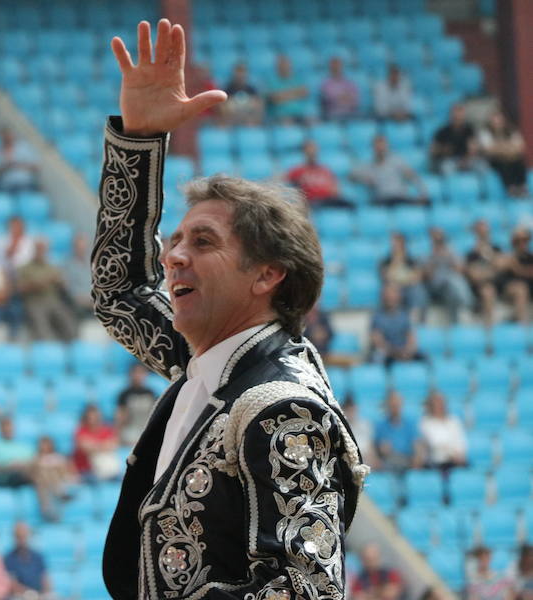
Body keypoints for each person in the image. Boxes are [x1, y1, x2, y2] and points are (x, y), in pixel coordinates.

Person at [96, 20, 365, 599]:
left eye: (204, 242)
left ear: (268, 275)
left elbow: (307, 591)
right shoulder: (218, 364)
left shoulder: (279, 405)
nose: (173, 258)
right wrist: (139, 141)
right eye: (176, 241)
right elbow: (120, 295)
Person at [16, 239, 77, 341]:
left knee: (68, 322)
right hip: (35, 302)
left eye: (43, 249)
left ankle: (72, 347)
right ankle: (48, 350)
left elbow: (63, 285)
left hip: (53, 301)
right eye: (38, 249)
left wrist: (60, 282)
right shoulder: (25, 268)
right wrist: (37, 284)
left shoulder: (52, 267)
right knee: (42, 327)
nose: (41, 251)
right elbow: (19, 288)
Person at [350, 135, 428, 206]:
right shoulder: (368, 165)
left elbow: (412, 176)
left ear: (387, 147)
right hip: (382, 199)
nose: (380, 149)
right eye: (377, 147)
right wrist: (363, 179)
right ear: (373, 148)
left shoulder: (397, 161)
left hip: (399, 196)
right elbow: (351, 176)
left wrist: (422, 193)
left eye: (382, 146)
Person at [424, 228, 474, 322]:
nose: (439, 243)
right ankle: (468, 302)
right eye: (436, 241)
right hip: (436, 286)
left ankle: (460, 311)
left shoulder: (451, 252)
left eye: (441, 240)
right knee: (453, 281)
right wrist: (435, 259)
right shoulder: (428, 255)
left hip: (451, 287)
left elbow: (460, 270)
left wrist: (449, 258)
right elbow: (428, 276)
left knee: (453, 283)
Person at [285, 140, 353, 209]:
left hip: (328, 199)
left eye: (314, 150)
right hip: (313, 202)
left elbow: (335, 187)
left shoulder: (324, 169)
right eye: (310, 150)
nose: (312, 153)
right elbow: (285, 180)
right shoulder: (299, 170)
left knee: (348, 204)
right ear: (305, 152)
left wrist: (335, 190)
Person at [478, 111, 529, 197]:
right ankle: (511, 189)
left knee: (519, 162)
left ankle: (522, 187)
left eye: (499, 120)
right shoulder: (485, 132)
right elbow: (489, 149)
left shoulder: (512, 130)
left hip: (512, 158)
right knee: (503, 163)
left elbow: (520, 147)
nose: (497, 123)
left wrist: (502, 148)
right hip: (495, 160)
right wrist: (507, 148)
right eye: (495, 121)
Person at [466, 219, 506, 326]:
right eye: (480, 232)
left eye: (485, 231)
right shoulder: (472, 254)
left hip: (499, 283)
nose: (483, 234)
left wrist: (489, 258)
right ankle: (490, 329)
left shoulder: (496, 249)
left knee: (520, 288)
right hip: (482, 287)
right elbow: (474, 275)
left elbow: (501, 267)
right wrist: (491, 270)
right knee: (488, 291)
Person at [370, 285, 423, 365]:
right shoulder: (377, 317)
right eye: (388, 295)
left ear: (398, 297)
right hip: (388, 352)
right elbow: (378, 341)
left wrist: (408, 350)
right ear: (383, 297)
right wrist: (395, 352)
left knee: (424, 357)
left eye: (393, 295)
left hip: (403, 350)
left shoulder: (404, 315)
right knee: (378, 356)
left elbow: (411, 337)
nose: (391, 298)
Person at [29, 435, 76, 523]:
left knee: (52, 475)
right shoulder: (35, 459)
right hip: (43, 484)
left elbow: (66, 473)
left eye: (46, 444)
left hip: (58, 482)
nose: (44, 447)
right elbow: (33, 474)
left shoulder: (59, 457)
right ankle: (51, 505)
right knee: (44, 476)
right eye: (42, 445)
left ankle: (57, 497)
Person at [375, 390, 424, 472]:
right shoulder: (381, 426)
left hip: (408, 460)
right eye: (392, 405)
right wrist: (380, 450)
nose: (395, 407)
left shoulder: (410, 424)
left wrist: (417, 457)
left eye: (397, 404)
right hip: (388, 461)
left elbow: (417, 444)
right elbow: (377, 446)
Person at [380, 232, 428, 315]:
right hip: (395, 287)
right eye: (395, 244)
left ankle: (417, 316)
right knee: (392, 290)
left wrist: (405, 280)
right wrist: (396, 260)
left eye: (399, 244)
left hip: (408, 287)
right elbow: (387, 276)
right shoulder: (386, 261)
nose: (396, 247)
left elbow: (417, 276)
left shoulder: (410, 260)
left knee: (418, 290)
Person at [431, 103, 485, 174]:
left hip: (467, 160)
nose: (458, 117)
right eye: (455, 116)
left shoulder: (469, 130)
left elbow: (474, 148)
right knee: (446, 167)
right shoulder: (443, 131)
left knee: (482, 166)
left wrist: (468, 157)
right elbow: (433, 150)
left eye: (460, 115)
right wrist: (443, 149)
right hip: (450, 161)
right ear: (451, 116)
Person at [419, 390, 467, 470]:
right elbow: (434, 443)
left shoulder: (454, 421)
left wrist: (458, 455)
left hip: (455, 460)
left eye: (441, 403)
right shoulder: (425, 423)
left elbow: (461, 443)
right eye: (436, 403)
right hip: (436, 462)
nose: (439, 406)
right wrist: (450, 453)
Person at [72, 404, 120, 483]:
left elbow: (113, 445)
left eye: (95, 417)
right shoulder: (81, 430)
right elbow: (85, 447)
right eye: (90, 417)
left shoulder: (107, 429)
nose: (93, 419)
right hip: (86, 469)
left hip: (106, 466)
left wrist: (95, 445)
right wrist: (103, 445)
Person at [0, 415, 35, 487]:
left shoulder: (24, 447)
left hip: (24, 475)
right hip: (5, 478)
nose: (8, 429)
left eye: (10, 426)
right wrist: (8, 467)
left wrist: (22, 466)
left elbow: (34, 463)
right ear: (0, 429)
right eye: (5, 427)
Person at [4, 522, 51, 599]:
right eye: (19, 536)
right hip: (20, 595)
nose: (22, 539)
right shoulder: (9, 558)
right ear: (14, 537)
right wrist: (30, 593)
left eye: (24, 536)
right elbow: (12, 584)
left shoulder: (38, 556)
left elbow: (45, 579)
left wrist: (44, 593)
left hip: (39, 594)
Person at [114, 363, 156, 446]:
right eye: (136, 372)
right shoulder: (125, 394)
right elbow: (120, 418)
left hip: (145, 431)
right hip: (130, 432)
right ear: (131, 374)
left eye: (141, 373)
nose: (138, 376)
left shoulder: (151, 393)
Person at [0, 129, 40, 193]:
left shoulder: (24, 148)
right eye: (4, 136)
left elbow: (36, 167)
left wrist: (18, 164)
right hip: (6, 187)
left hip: (25, 184)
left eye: (9, 135)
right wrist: (5, 167)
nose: (7, 138)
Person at [265, 53, 311, 123]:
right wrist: (296, 93)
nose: (285, 66)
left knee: (313, 121)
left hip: (300, 114)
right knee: (287, 123)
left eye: (287, 64)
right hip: (280, 116)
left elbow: (305, 92)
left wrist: (284, 95)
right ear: (277, 66)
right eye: (282, 64)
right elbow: (275, 99)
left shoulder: (297, 79)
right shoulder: (270, 81)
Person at [500, 227, 533, 324]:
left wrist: (516, 267)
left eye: (524, 240)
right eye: (517, 241)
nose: (521, 243)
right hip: (510, 289)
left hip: (529, 287)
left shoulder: (530, 257)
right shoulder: (507, 257)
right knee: (520, 289)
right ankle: (522, 328)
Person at [342, 397, 379, 470]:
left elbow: (371, 446)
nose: (350, 413)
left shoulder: (365, 425)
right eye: (348, 410)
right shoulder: (341, 429)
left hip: (367, 460)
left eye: (352, 410)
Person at [62, 234, 93, 318]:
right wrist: (83, 300)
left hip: (94, 299)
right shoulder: (67, 264)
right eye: (79, 247)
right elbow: (69, 288)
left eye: (83, 247)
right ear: (74, 247)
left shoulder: (93, 262)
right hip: (79, 301)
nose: (81, 250)